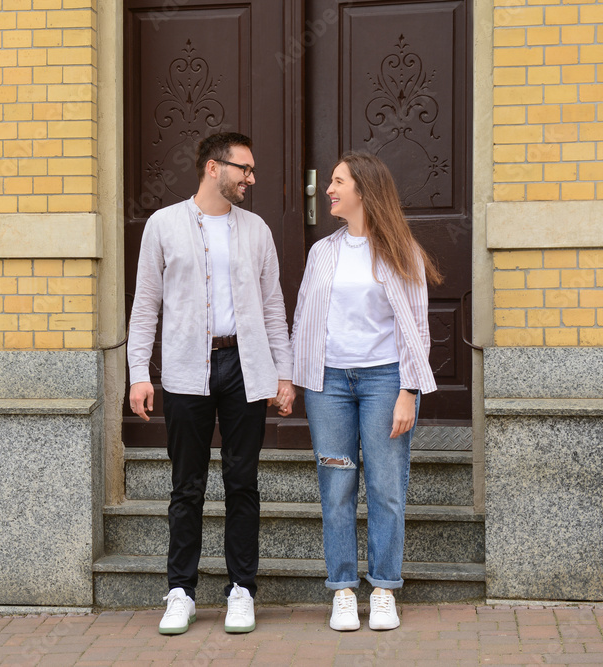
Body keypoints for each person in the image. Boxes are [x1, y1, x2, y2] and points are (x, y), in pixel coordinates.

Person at [127, 132, 295, 635]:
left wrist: (283, 373)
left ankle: (242, 589)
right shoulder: (163, 225)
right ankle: (181, 591)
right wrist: (139, 373)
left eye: (251, 170)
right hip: (184, 369)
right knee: (187, 486)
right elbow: (146, 305)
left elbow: (271, 307)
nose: (250, 178)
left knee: (242, 482)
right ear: (211, 167)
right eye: (243, 168)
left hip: (245, 366)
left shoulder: (257, 230)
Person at [291, 151, 442, 632]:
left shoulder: (403, 252)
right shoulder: (322, 252)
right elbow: (304, 319)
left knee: (385, 487)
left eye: (337, 182)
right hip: (329, 385)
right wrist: (292, 378)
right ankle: (341, 590)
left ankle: (382, 589)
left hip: (383, 382)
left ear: (364, 190)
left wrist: (408, 392)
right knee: (337, 486)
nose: (328, 189)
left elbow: (417, 328)